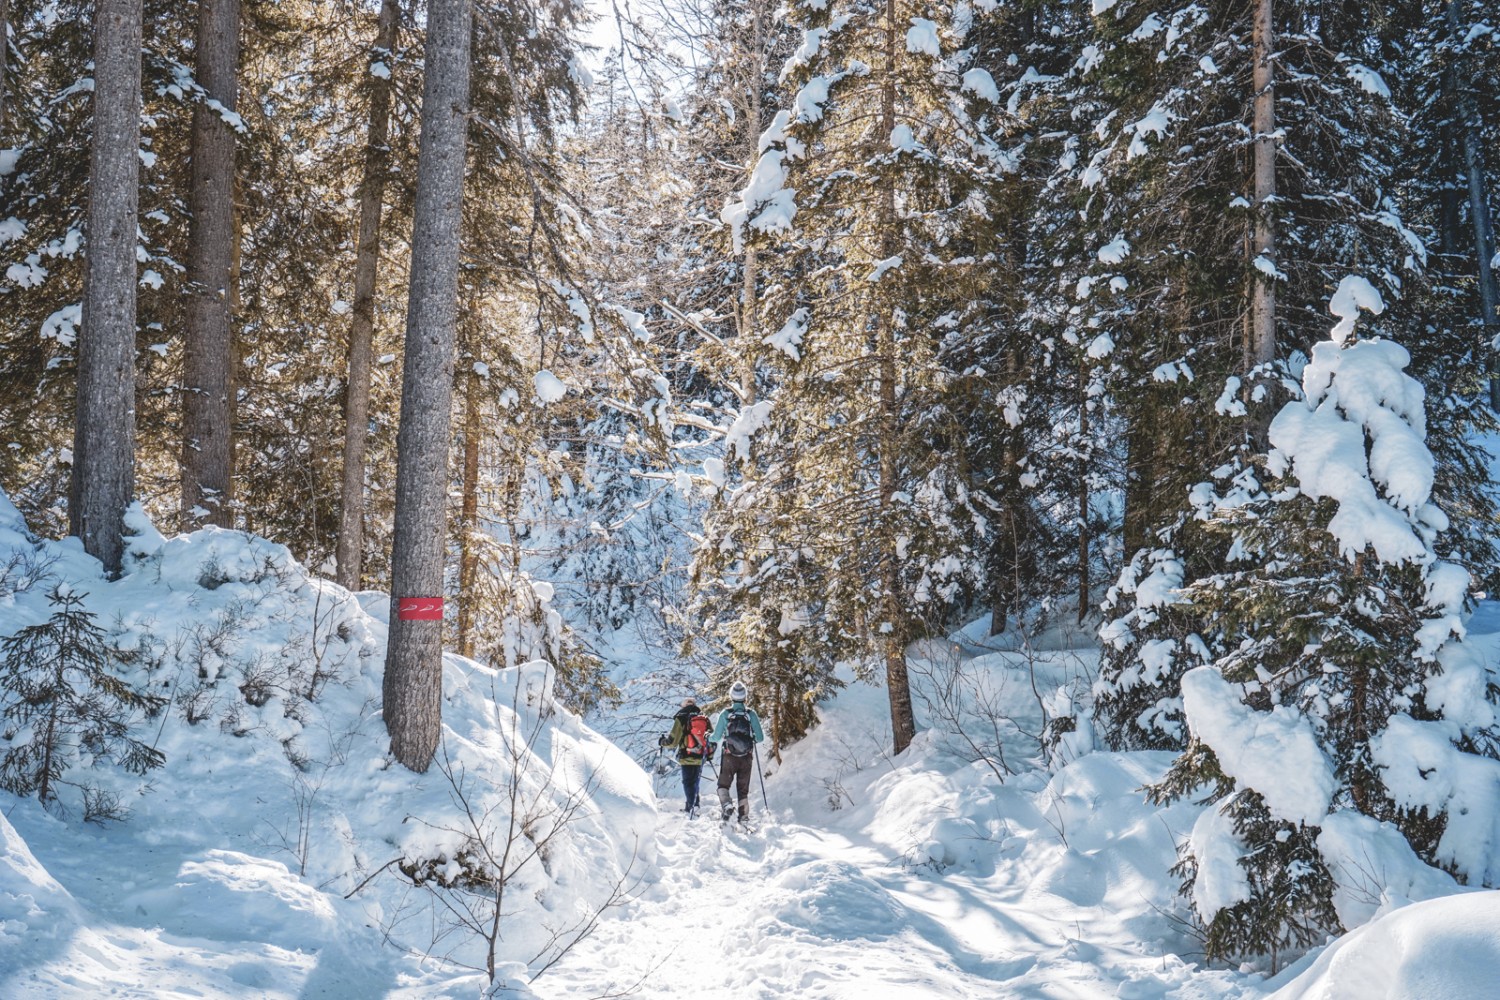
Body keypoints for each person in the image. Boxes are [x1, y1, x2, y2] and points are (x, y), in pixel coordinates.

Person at [710, 681, 764, 823]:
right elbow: (760, 738)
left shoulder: (726, 714)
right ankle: (744, 817)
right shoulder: (750, 714)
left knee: (723, 785)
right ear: (745, 697)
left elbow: (715, 737)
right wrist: (749, 739)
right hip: (746, 757)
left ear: (731, 696)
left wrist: (707, 737)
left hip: (729, 756)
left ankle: (727, 805)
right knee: (742, 789)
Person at [659, 697, 712, 815]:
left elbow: (673, 741)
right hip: (700, 755)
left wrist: (662, 742)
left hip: (686, 754)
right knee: (695, 780)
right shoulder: (703, 717)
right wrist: (709, 753)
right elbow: (710, 736)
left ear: (684, 706)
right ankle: (694, 804)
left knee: (688, 781)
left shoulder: (681, 716)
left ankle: (691, 806)